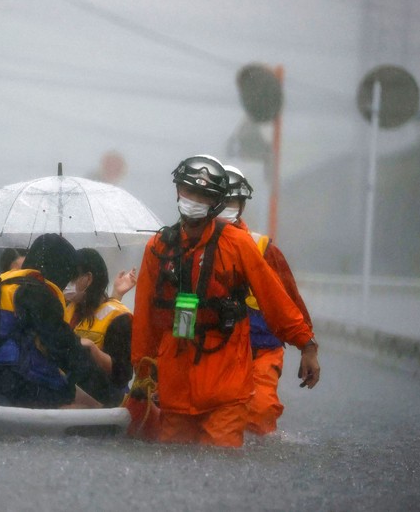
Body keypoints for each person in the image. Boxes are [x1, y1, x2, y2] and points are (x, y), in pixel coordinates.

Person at [131, 154, 320, 448]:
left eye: (202, 194)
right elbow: (144, 315)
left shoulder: (238, 244)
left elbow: (276, 300)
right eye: (188, 190)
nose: (192, 199)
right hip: (175, 383)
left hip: (225, 381)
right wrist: (143, 372)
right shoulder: (158, 248)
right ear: (178, 191)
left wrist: (306, 344)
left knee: (221, 462)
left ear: (215, 202)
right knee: (171, 462)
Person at [219, 164, 314, 435]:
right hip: (213, 352)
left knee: (259, 411)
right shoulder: (188, 245)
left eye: (231, 200)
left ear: (241, 206)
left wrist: (308, 347)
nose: (225, 206)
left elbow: (290, 301)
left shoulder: (262, 248)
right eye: (220, 200)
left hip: (261, 350)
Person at [0, 233, 106, 409]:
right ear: (59, 268)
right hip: (13, 384)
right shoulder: (39, 293)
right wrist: (96, 379)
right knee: (83, 403)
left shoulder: (3, 283)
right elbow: (63, 348)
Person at [64, 248, 137, 407]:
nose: (66, 283)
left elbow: (123, 374)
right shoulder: (67, 307)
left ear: (88, 279)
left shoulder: (119, 317)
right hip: (70, 392)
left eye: (71, 277)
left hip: (103, 398)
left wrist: (92, 349)